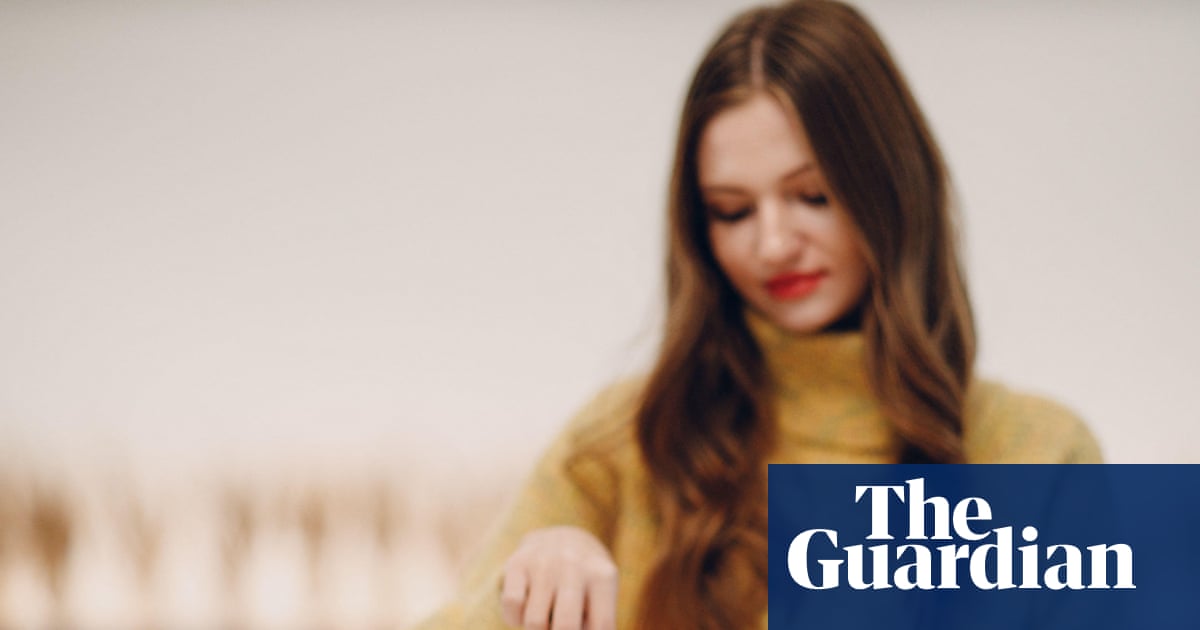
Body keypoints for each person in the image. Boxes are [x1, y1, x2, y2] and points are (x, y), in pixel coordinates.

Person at [414, 1, 1101, 628]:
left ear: (890, 189)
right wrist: (530, 578)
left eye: (812, 196)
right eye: (732, 211)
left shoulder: (1041, 456)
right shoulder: (625, 442)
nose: (773, 244)